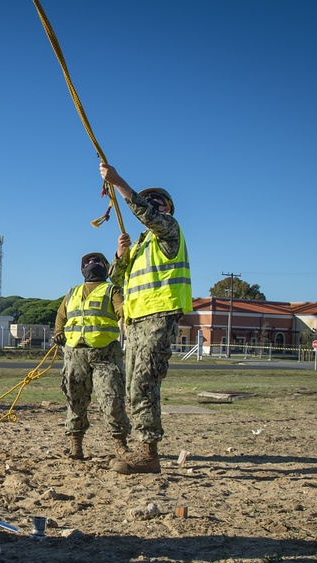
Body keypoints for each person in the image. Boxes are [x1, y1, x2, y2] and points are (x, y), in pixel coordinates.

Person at [100, 161, 192, 474]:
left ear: (167, 208)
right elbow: (116, 280)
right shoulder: (141, 244)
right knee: (132, 387)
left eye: (156, 200)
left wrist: (119, 182)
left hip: (160, 317)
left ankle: (149, 455)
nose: (150, 203)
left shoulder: (169, 231)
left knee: (144, 382)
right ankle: (142, 449)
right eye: (146, 198)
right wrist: (119, 256)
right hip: (137, 322)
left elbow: (147, 215)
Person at [53, 251, 131, 460]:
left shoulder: (111, 289)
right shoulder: (72, 292)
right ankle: (75, 446)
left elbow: (122, 309)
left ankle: (120, 445)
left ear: (105, 267)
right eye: (88, 261)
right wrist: (59, 333)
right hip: (75, 354)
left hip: (105, 354)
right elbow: (61, 315)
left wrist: (127, 314)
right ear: (82, 269)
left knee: (112, 400)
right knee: (75, 401)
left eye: (97, 261)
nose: (92, 263)